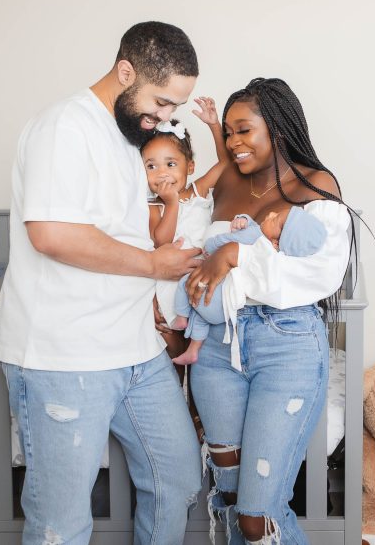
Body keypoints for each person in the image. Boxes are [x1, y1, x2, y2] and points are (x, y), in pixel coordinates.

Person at [0, 21, 205, 545]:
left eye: (174, 109)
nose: (164, 118)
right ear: (125, 71)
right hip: (63, 354)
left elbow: (123, 230)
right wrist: (156, 265)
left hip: (133, 349)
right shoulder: (65, 126)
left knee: (176, 478)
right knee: (61, 523)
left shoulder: (126, 137)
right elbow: (52, 234)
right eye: (160, 102)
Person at [165, 77, 359, 545]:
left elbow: (319, 274)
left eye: (244, 130)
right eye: (228, 132)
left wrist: (234, 255)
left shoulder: (315, 185)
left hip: (286, 345)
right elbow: (193, 244)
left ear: (276, 128)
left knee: (258, 516)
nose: (233, 142)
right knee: (230, 498)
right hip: (216, 349)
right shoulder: (227, 181)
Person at [171, 206, 327, 366]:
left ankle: (182, 316)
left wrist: (209, 247)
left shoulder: (258, 235)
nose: (271, 213)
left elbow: (227, 242)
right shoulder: (273, 252)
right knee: (201, 316)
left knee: (186, 282)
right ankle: (193, 350)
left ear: (275, 242)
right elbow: (251, 232)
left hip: (215, 298)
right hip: (224, 308)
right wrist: (244, 219)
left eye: (275, 219)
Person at [142, 100, 231, 327]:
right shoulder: (153, 207)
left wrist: (213, 125)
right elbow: (162, 242)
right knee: (173, 338)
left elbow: (225, 162)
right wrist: (171, 204)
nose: (161, 173)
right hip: (168, 287)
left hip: (202, 279)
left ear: (190, 167)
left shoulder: (196, 192)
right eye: (151, 166)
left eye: (170, 164)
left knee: (202, 339)